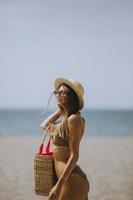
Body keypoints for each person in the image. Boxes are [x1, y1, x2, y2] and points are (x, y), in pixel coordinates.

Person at [40, 77, 90, 200]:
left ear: (71, 96)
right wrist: (61, 110)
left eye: (62, 92)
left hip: (71, 179)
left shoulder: (74, 119)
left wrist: (59, 185)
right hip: (66, 179)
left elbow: (75, 155)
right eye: (57, 92)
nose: (58, 95)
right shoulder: (65, 120)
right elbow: (44, 125)